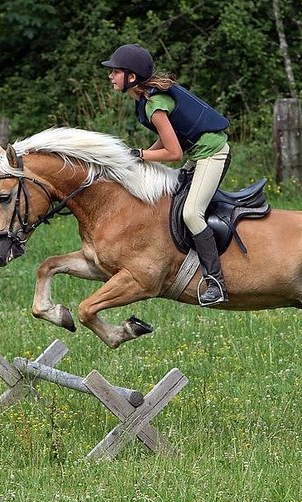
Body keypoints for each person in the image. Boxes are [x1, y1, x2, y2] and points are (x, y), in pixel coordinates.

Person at [102, 43, 231, 306]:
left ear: (132, 77)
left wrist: (140, 155)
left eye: (115, 72)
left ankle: (216, 283)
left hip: (212, 154)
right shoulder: (145, 99)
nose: (110, 76)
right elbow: (167, 139)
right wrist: (143, 157)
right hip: (198, 154)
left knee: (191, 213)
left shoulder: (154, 105)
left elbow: (173, 153)